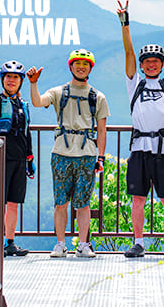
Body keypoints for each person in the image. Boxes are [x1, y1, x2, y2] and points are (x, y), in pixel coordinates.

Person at [117, 0, 164, 259]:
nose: (153, 64)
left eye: (156, 61)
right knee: (138, 199)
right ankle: (139, 242)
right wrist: (125, 25)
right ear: (143, 66)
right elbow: (129, 55)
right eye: (148, 62)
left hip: (163, 149)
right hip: (139, 148)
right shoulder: (135, 85)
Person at [26, 49, 109, 258]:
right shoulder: (59, 92)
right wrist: (33, 83)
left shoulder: (97, 97)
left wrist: (101, 156)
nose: (81, 67)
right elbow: (38, 102)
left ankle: (83, 244)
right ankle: (61, 244)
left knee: (83, 202)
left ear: (90, 68)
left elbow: (101, 130)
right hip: (62, 153)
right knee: (60, 201)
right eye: (77, 63)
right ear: (71, 66)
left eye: (85, 64)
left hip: (87, 153)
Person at [0, 49, 35, 257]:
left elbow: (27, 132)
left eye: (16, 77)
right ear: (3, 79)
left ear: (21, 81)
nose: (12, 80)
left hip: (20, 159)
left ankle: (10, 242)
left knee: (13, 203)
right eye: (8, 77)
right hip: (2, 158)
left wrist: (30, 159)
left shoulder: (22, 105)